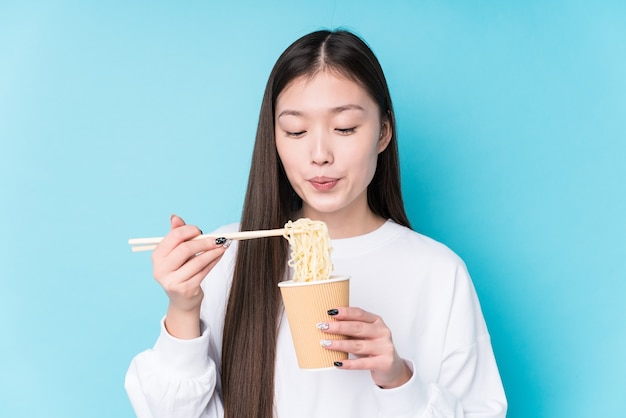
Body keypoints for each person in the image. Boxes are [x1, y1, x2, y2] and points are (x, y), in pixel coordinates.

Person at [125, 29, 507, 417]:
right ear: (273, 137)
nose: (319, 154)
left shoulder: (438, 272)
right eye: (295, 131)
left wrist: (397, 377)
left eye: (345, 128)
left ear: (383, 132)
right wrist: (184, 307)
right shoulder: (227, 253)